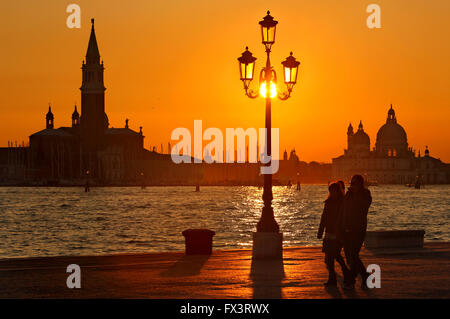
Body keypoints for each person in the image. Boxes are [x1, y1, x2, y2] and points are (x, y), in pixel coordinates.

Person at [341, 174, 372, 290]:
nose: (353, 185)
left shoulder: (365, 194)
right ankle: (364, 276)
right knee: (350, 255)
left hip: (359, 229)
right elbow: (344, 210)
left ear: (360, 184)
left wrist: (355, 194)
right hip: (347, 229)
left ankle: (351, 279)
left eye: (355, 183)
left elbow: (364, 207)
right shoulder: (348, 194)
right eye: (352, 183)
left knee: (353, 254)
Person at [317, 182, 349, 287]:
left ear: (338, 191)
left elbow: (344, 218)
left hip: (338, 232)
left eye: (333, 190)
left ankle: (345, 272)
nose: (332, 192)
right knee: (329, 257)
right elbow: (324, 217)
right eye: (330, 191)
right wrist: (320, 231)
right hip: (329, 232)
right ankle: (333, 278)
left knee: (335, 254)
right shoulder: (328, 202)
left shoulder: (343, 202)